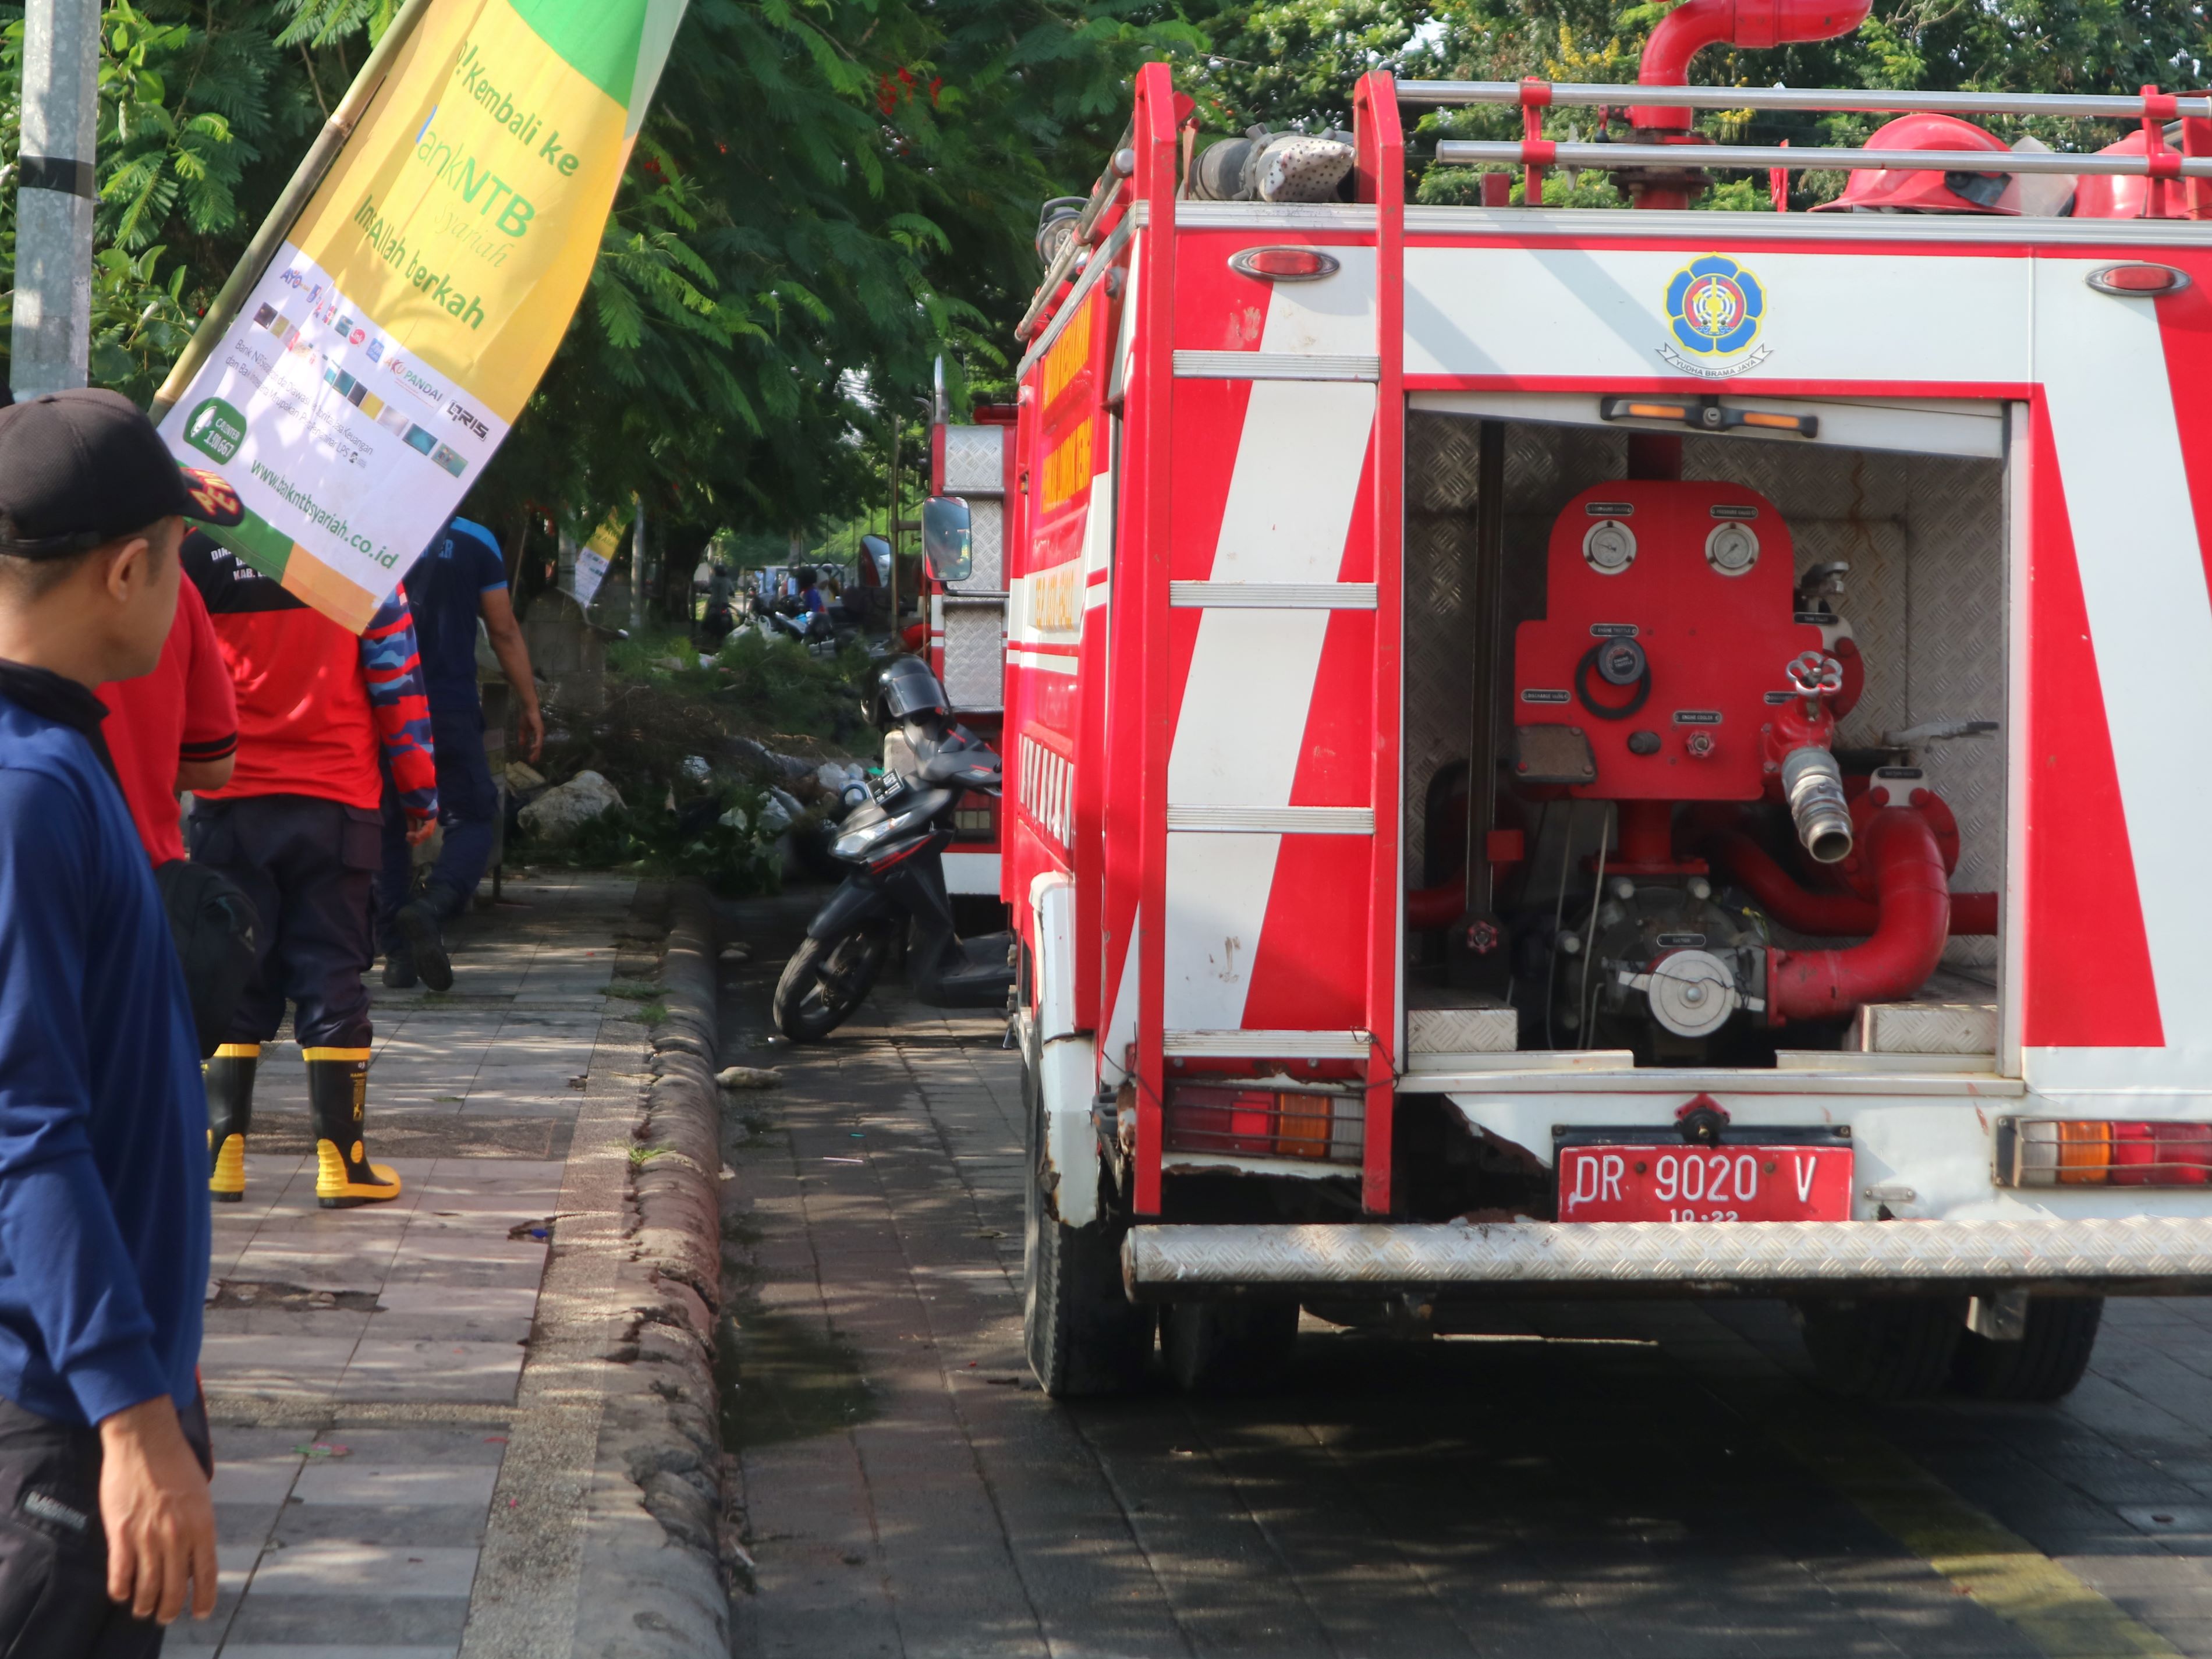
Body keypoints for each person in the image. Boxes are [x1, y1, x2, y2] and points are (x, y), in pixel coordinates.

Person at [0, 388, 246, 1649]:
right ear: (131, 567)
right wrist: (130, 1419)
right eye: (181, 563)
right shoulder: (26, 790)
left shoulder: (65, 755)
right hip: (54, 1419)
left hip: (96, 1386)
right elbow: (25, 1129)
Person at [186, 534, 438, 1208]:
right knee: (331, 973)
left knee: (234, 969)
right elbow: (397, 682)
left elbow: (163, 665)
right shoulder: (360, 553)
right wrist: (420, 793)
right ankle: (342, 1165)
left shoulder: (199, 552)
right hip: (335, 803)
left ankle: (219, 1159)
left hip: (228, 801)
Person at [375, 517, 543, 992]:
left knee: (385, 822)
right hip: (448, 708)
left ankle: (396, 957)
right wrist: (529, 702)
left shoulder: (365, 529)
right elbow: (503, 630)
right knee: (472, 818)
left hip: (381, 703)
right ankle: (432, 905)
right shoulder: (476, 539)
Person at [95, 576, 237, 863]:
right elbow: (213, 767)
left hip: (27, 869)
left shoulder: (183, 570)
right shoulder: (168, 581)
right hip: (145, 865)